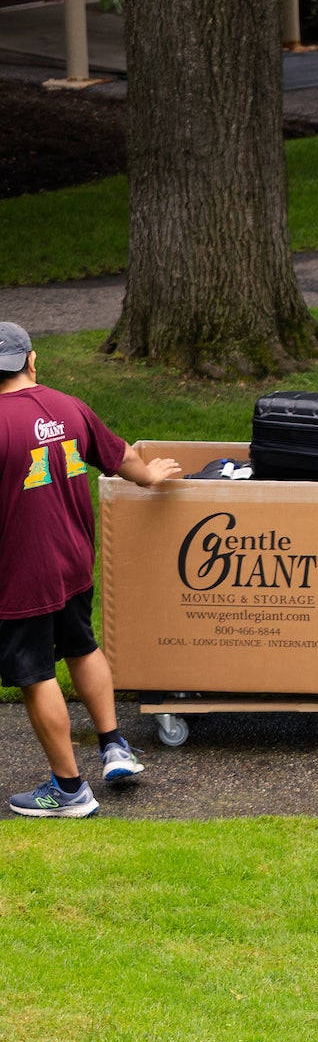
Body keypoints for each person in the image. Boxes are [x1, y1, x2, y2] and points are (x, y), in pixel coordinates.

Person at [0, 322, 185, 817]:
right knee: (81, 644)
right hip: (74, 560)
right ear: (31, 360)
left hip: (21, 574)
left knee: (35, 673)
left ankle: (69, 791)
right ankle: (114, 747)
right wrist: (149, 476)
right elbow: (118, 454)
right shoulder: (68, 406)